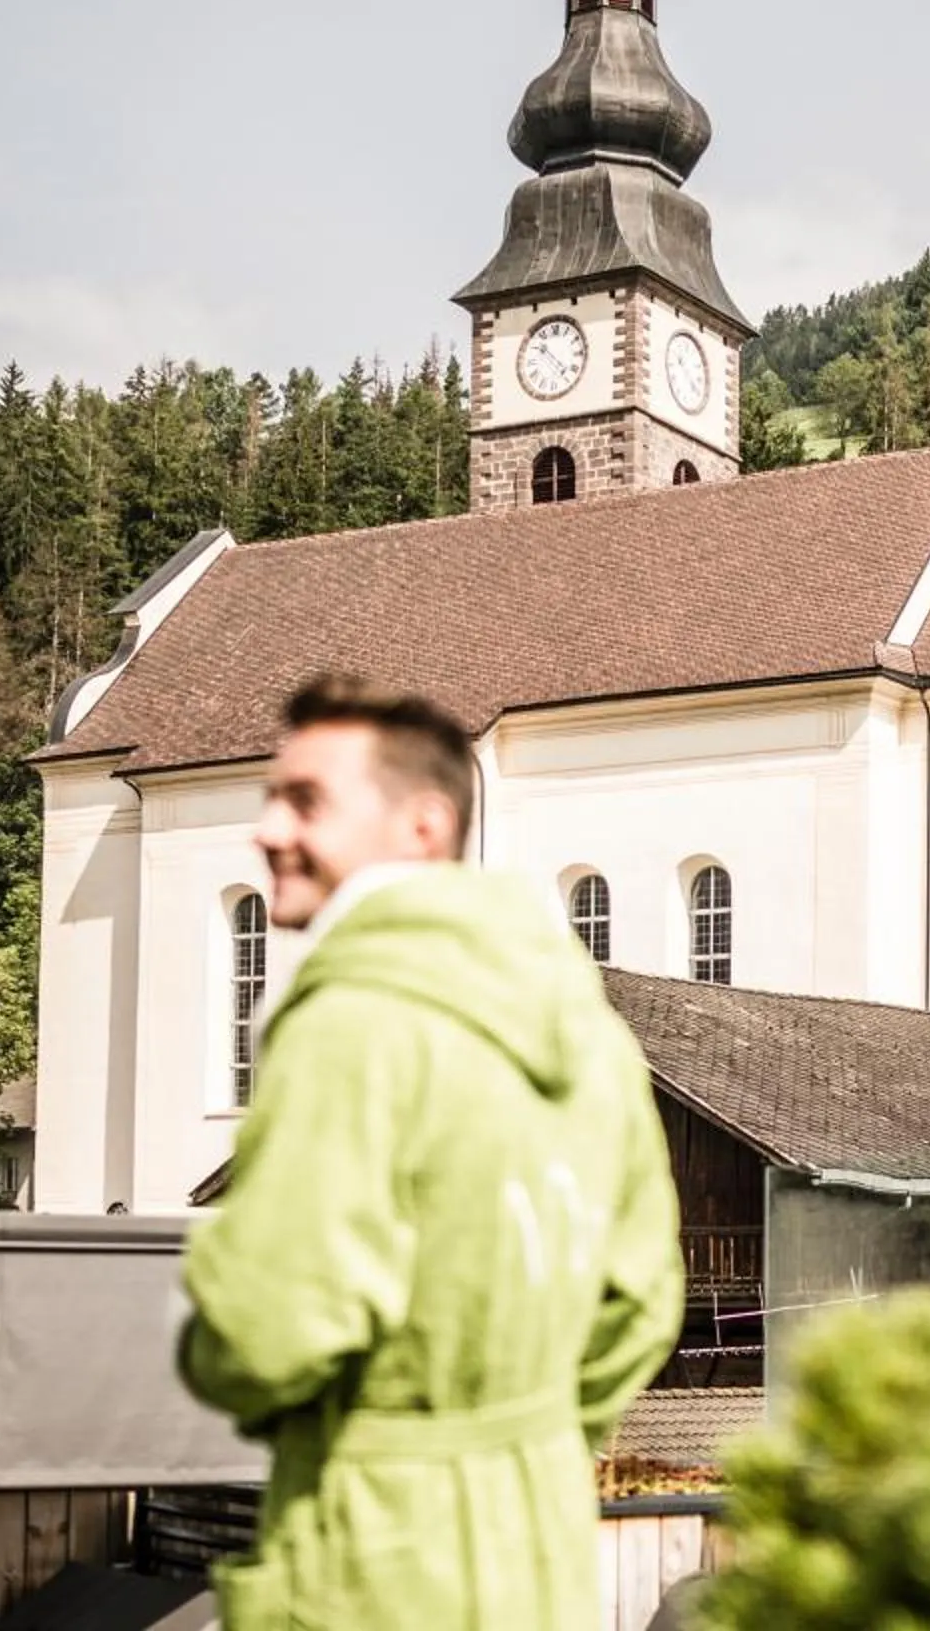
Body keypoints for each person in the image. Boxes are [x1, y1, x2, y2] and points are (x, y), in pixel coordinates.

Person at [178, 675, 684, 1628]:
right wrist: (517, 1440)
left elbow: (270, 1324)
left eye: (305, 800)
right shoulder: (588, 1032)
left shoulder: (351, 1021)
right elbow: (642, 1297)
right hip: (539, 1556)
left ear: (422, 824)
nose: (267, 830)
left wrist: (212, 1345)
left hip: (373, 1560)